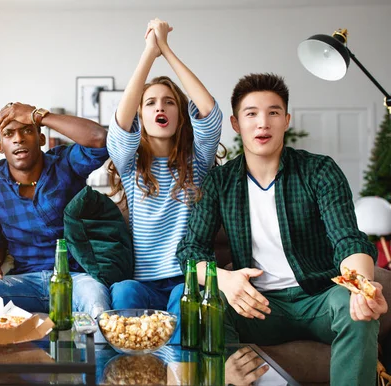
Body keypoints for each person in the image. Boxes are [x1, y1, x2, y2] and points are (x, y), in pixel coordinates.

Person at [176, 73, 388, 385]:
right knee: (210, 302)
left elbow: (348, 238)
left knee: (355, 307)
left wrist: (362, 288)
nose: (263, 123)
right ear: (236, 123)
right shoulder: (220, 182)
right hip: (259, 305)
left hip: (319, 297)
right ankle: (228, 376)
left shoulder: (319, 170)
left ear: (286, 120)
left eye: (273, 112)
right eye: (251, 114)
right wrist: (225, 279)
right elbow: (191, 251)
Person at [107, 18, 222, 340]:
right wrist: (148, 51)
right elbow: (118, 125)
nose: (161, 107)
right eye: (151, 103)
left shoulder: (197, 162)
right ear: (141, 116)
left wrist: (166, 50)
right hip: (140, 282)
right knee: (123, 293)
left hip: (186, 277)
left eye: (169, 102)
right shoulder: (129, 164)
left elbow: (210, 114)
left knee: (184, 305)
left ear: (180, 115)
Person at [0, 102, 111, 319]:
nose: (18, 138)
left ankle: (101, 353)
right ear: (0, 146)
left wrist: (37, 116)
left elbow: (99, 139)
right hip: (25, 281)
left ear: (41, 139)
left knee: (97, 303)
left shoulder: (65, 164)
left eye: (27, 130)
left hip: (76, 277)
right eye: (9, 134)